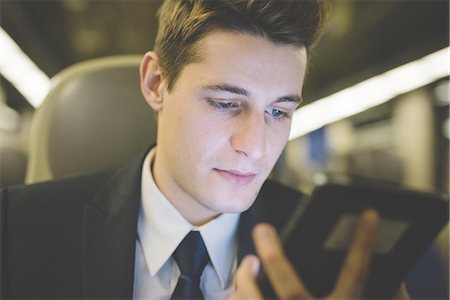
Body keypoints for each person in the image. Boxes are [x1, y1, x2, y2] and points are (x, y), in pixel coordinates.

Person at [0, 0, 409, 299]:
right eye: (226, 104)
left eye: (279, 111)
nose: (255, 145)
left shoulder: (343, 263)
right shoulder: (15, 228)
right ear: (156, 83)